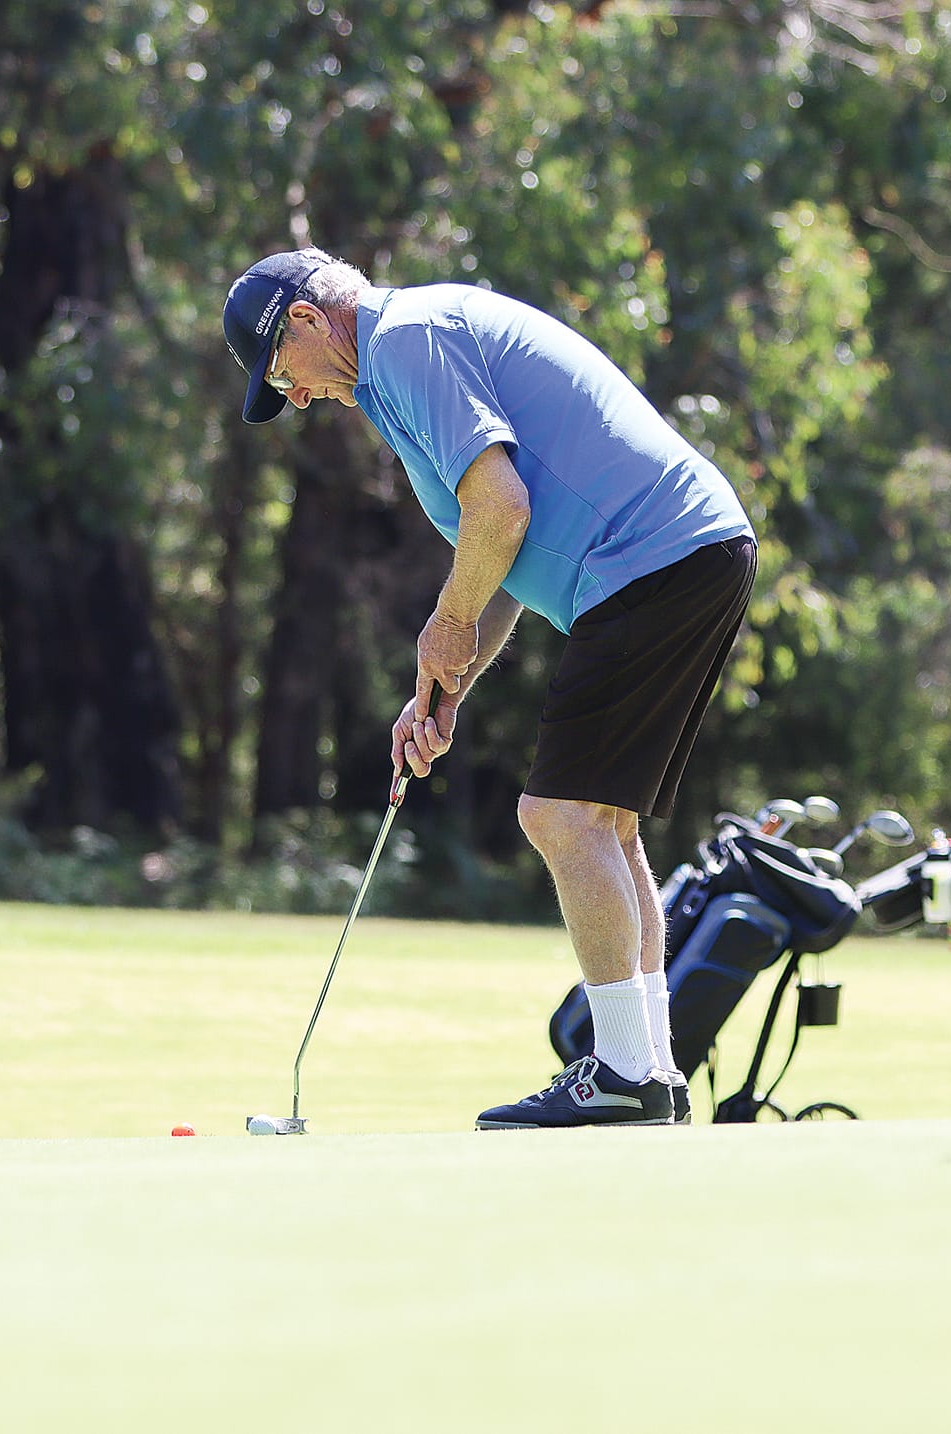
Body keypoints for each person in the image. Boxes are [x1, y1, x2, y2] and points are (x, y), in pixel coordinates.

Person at [222, 247, 756, 1129]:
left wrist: (445, 624)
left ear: (311, 320)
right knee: (604, 825)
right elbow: (502, 559)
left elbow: (499, 508)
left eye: (286, 373)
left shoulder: (406, 341)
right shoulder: (395, 379)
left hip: (652, 558)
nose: (300, 398)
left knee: (558, 817)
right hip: (685, 553)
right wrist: (448, 684)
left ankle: (624, 1072)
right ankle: (650, 1070)